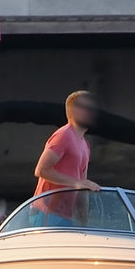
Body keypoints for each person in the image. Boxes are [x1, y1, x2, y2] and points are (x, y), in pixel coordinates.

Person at [32, 91, 102, 224]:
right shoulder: (63, 136)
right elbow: (41, 170)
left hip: (67, 216)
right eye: (87, 109)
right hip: (46, 212)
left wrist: (83, 220)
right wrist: (76, 183)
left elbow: (82, 183)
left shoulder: (85, 144)